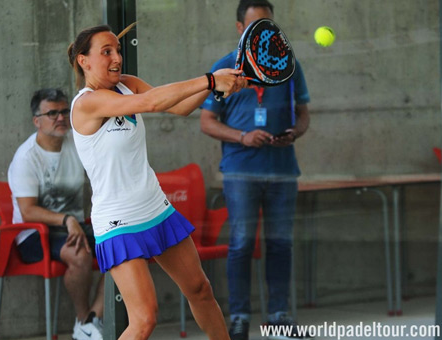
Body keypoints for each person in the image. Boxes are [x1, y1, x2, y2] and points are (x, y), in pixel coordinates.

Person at [67, 24, 246, 340]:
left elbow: (178, 106)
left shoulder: (128, 85)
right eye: (106, 52)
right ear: (84, 60)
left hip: (155, 208)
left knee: (200, 289)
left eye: (118, 50)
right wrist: (209, 79)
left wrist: (215, 85)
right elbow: (150, 104)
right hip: (118, 223)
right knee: (144, 320)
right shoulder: (86, 103)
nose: (116, 58)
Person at [200, 1, 311, 339]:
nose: (265, 32)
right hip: (240, 172)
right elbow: (206, 122)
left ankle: (278, 317)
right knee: (241, 244)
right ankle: (238, 319)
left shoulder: (288, 65)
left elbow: (304, 114)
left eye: (268, 24)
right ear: (239, 29)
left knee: (280, 244)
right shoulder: (225, 68)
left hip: (282, 170)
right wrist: (243, 136)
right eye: (255, 26)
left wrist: (295, 132)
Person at [8, 88, 104, 340]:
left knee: (122, 244)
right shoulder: (26, 158)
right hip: (34, 234)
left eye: (64, 111)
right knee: (80, 256)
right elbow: (27, 211)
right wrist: (68, 220)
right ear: (36, 121)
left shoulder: (77, 142)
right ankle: (82, 321)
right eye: (52, 113)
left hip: (73, 227)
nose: (60, 117)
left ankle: (94, 318)